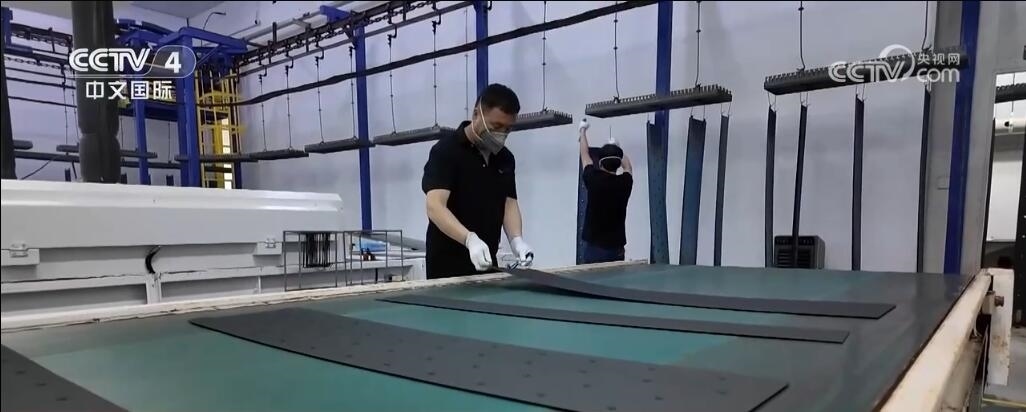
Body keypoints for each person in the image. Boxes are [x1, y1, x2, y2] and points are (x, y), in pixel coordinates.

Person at [421, 84, 534, 279]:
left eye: (507, 129)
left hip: (487, 264)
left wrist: (517, 240)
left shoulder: (505, 158)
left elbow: (509, 203)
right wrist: (469, 239)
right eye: (496, 127)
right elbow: (435, 206)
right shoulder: (446, 151)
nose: (501, 134)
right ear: (476, 114)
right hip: (446, 267)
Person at [578, 119, 632, 263]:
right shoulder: (625, 182)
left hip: (595, 250)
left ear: (600, 162)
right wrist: (617, 148)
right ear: (618, 163)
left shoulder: (593, 179)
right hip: (617, 250)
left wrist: (582, 131)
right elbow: (628, 166)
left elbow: (585, 155)